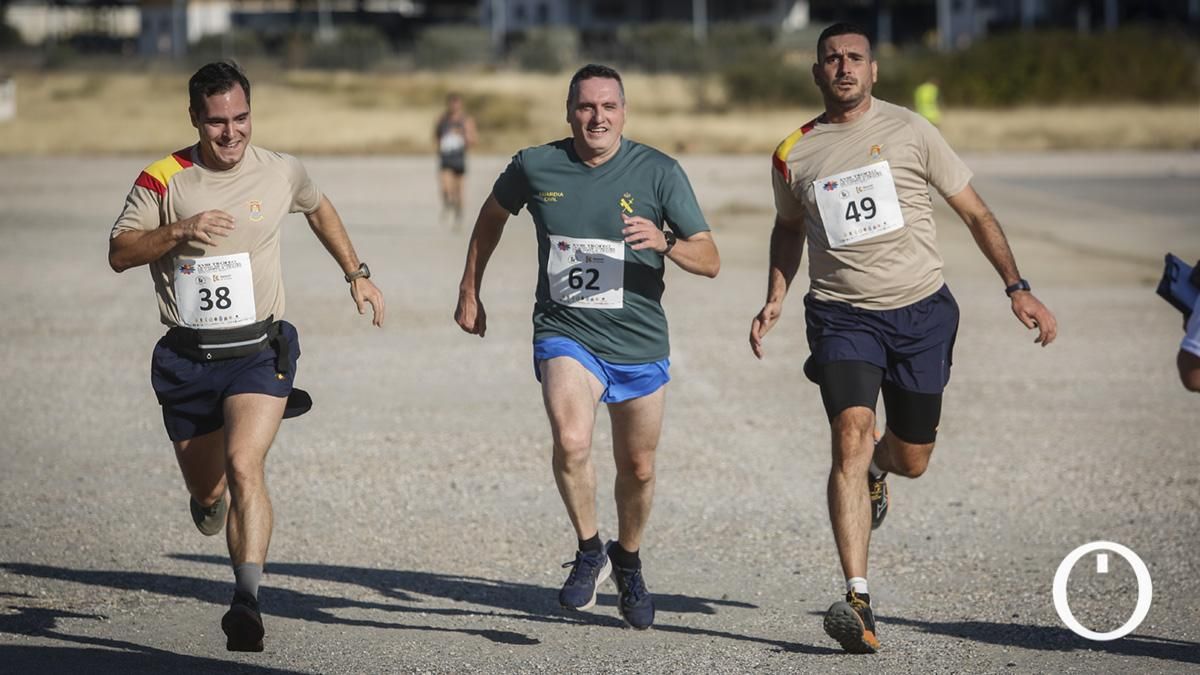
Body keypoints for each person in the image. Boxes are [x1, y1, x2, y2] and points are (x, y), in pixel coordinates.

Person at [748, 24, 1056, 654]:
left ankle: (883, 470)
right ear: (815, 73)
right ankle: (857, 601)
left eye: (854, 58)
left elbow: (976, 212)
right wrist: (777, 294)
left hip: (921, 313)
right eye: (831, 59)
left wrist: (1016, 286)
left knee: (911, 457)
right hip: (841, 316)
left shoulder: (913, 131)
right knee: (849, 436)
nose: (843, 67)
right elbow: (788, 227)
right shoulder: (793, 153)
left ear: (874, 69)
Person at [107, 61, 384, 652]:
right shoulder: (163, 178)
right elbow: (121, 252)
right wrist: (180, 230)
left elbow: (319, 207)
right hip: (187, 359)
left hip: (260, 350)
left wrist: (356, 274)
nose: (231, 133)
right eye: (216, 122)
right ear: (194, 120)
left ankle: (247, 602)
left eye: (241, 118)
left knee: (245, 463)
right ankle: (210, 504)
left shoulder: (281, 170)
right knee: (210, 492)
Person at [454, 64, 719, 630]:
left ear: (624, 112)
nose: (596, 117)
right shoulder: (535, 164)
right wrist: (469, 288)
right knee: (572, 440)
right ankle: (589, 547)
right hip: (565, 332)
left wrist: (666, 242)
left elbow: (711, 258)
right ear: (569, 110)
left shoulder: (659, 172)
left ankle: (628, 558)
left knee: (639, 467)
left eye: (608, 107)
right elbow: (491, 216)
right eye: (585, 107)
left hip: (638, 340)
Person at [435, 92, 478, 229]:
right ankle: (448, 203)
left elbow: (473, 140)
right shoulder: (442, 119)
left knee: (459, 190)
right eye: (452, 103)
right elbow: (436, 136)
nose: (454, 106)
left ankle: (459, 215)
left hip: (459, 158)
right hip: (446, 157)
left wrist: (464, 135)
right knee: (446, 187)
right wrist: (440, 146)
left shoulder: (466, 121)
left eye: (457, 103)